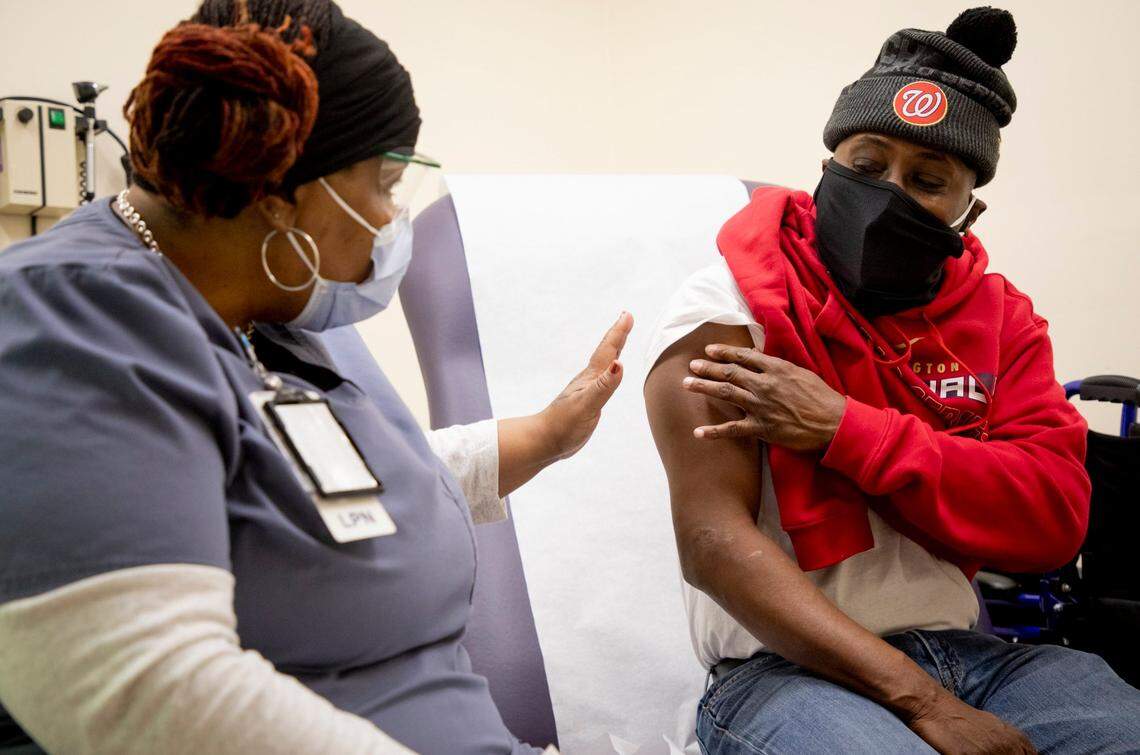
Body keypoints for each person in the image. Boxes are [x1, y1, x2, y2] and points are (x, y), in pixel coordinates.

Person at [0, 2, 632, 753]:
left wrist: (549, 434)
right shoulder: (71, 317)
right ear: (278, 198)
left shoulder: (282, 305)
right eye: (386, 183)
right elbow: (147, 692)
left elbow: (334, 493)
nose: (394, 217)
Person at [644, 7, 1140, 754]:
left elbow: (1053, 520)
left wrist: (847, 429)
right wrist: (924, 705)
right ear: (826, 167)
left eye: (927, 180)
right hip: (784, 672)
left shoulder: (1001, 322)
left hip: (975, 658)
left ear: (966, 211)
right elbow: (712, 542)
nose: (889, 194)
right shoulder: (727, 309)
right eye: (867, 165)